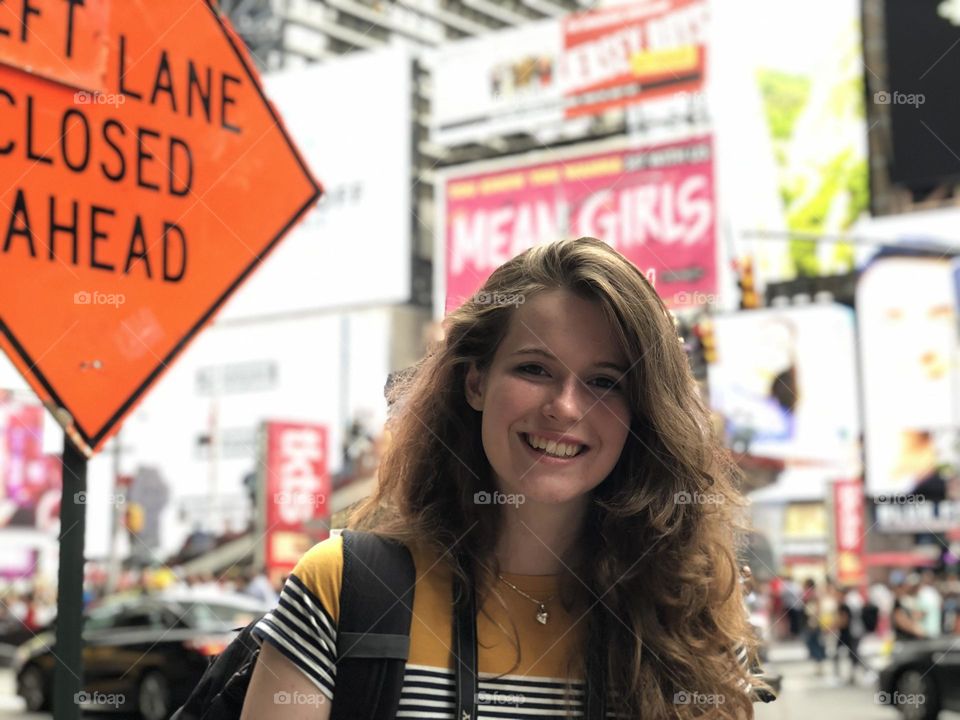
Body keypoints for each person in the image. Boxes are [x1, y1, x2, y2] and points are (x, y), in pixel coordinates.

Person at [240, 238, 767, 719]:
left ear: (642, 413)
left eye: (604, 382)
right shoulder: (341, 588)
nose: (565, 408)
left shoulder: (691, 616)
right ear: (475, 382)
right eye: (535, 369)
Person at [832, 585, 868, 685]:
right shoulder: (850, 603)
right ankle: (854, 675)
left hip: (849, 633)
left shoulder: (844, 605)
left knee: (851, 654)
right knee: (853, 654)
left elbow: (844, 620)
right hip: (853, 632)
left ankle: (858, 673)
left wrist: (832, 626)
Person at [801, 579, 827, 675]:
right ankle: (818, 663)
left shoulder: (814, 595)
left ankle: (819, 664)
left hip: (814, 622)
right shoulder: (809, 595)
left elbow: (817, 609)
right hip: (810, 621)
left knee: (815, 643)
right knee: (812, 643)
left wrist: (814, 621)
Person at [916, 569, 943, 638]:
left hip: (931, 630)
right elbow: (920, 612)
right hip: (926, 631)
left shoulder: (931, 591)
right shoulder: (924, 591)